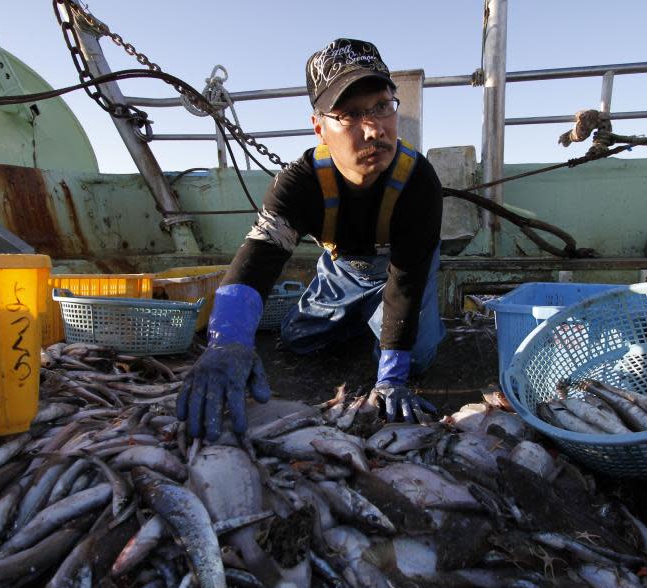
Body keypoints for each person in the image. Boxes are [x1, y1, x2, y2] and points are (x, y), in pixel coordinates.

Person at [177, 38, 446, 440]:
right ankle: (358, 319)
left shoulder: (419, 182)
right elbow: (259, 255)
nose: (374, 129)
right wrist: (227, 341)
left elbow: (406, 282)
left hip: (401, 273)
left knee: (416, 357)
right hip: (342, 272)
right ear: (320, 127)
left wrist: (391, 377)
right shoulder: (300, 182)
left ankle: (376, 327)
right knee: (297, 340)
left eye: (382, 106)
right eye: (351, 114)